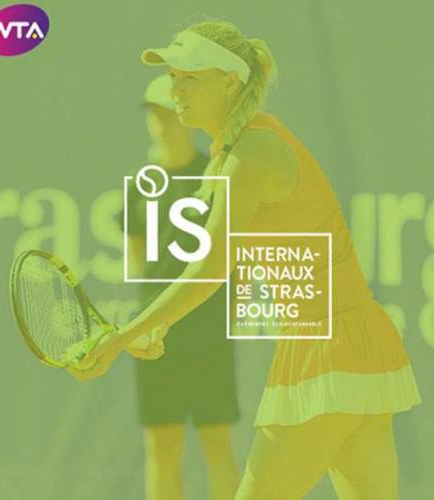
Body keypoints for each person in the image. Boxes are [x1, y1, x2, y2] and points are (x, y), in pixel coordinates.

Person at [69, 20, 422, 500]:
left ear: (230, 81)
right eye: (172, 76)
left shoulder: (250, 155)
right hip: (356, 338)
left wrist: (122, 336)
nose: (176, 90)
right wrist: (160, 323)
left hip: (328, 348)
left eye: (190, 77)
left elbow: (210, 269)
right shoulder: (247, 146)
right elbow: (223, 265)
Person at [122, 75, 239, 500]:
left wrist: (219, 315)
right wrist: (155, 317)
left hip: (208, 334)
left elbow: (233, 257)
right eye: (154, 114)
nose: (160, 123)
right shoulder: (140, 185)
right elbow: (139, 258)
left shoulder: (215, 178)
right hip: (154, 335)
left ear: (185, 117)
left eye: (168, 113)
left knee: (216, 440)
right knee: (161, 442)